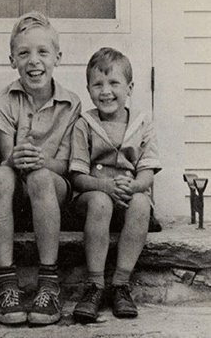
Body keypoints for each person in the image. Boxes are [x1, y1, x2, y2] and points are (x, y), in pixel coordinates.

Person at [0, 11, 81, 325]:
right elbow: (3, 160)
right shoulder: (2, 102)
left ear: (58, 57)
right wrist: (15, 158)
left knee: (41, 177)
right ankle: (7, 283)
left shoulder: (71, 103)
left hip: (53, 190)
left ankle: (49, 283)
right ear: (12, 59)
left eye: (43, 52)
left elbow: (67, 165)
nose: (34, 61)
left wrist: (42, 162)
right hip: (14, 192)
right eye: (23, 53)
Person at [70, 47, 161, 323]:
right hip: (93, 198)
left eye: (114, 83)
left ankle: (121, 283)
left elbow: (147, 175)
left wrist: (132, 187)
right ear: (88, 89)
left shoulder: (142, 124)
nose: (106, 91)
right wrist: (106, 187)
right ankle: (95, 284)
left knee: (142, 202)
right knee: (99, 200)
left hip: (129, 194)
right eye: (97, 84)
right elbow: (77, 177)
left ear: (130, 87)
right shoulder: (84, 124)